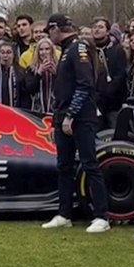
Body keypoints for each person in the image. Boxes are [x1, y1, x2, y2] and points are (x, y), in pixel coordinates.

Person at [40, 14, 111, 234]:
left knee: (90, 164)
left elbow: (85, 85)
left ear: (55, 29)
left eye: (49, 31)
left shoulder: (78, 47)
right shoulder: (66, 51)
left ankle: (102, 216)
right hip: (64, 116)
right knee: (64, 166)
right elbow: (64, 89)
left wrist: (70, 115)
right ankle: (64, 214)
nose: (48, 36)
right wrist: (58, 119)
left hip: (81, 117)